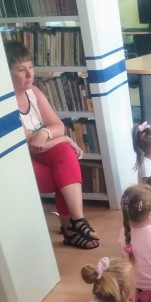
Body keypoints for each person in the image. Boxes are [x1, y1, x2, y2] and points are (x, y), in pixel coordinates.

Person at [4, 40, 99, 250]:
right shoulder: (5, 103)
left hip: (43, 155)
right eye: (21, 70)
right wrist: (63, 138)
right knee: (64, 169)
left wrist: (45, 132)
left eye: (30, 67)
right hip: (19, 164)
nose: (30, 74)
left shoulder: (33, 92)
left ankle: (75, 222)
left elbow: (57, 125)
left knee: (64, 159)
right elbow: (32, 146)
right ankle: (72, 227)